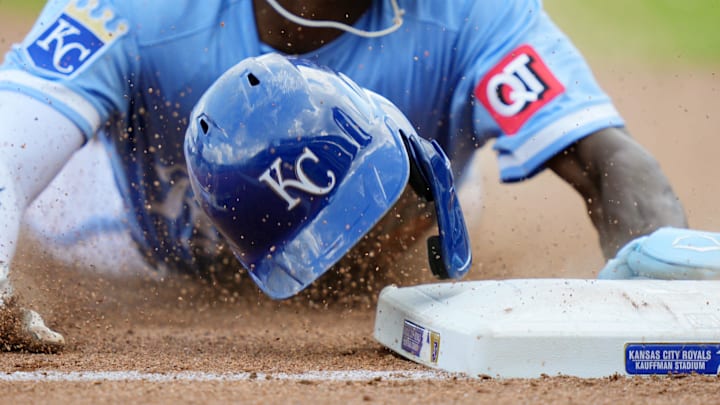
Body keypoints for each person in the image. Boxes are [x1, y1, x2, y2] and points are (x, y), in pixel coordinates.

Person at [0, 0, 688, 350]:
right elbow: (8, 142)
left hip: (410, 217)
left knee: (410, 174)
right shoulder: (139, 12)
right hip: (135, 239)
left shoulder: (473, 14)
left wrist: (677, 296)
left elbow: (612, 163)